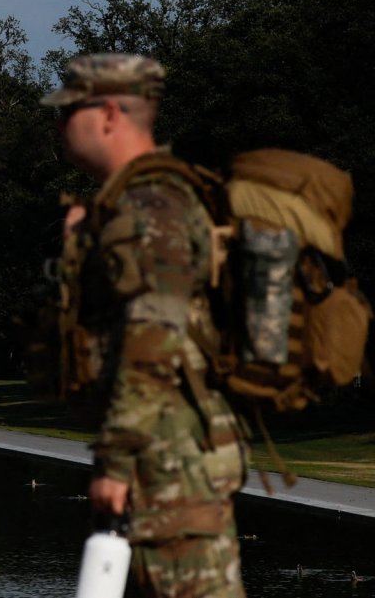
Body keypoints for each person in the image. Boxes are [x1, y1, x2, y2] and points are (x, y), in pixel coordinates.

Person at [46, 54, 246, 598]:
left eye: (69, 113)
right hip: (158, 462)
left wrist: (117, 459)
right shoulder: (134, 204)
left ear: (110, 114)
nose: (61, 127)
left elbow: (152, 339)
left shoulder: (149, 206)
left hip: (168, 468)